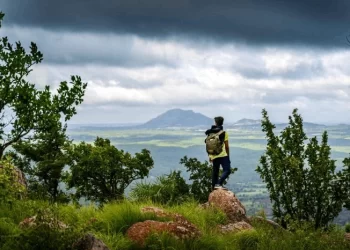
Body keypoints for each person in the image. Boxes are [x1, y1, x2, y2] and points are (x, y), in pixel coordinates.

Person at [205, 116, 231, 190]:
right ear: (222, 123)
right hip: (222, 155)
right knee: (227, 170)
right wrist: (228, 156)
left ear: (215, 123)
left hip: (213, 154)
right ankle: (219, 183)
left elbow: (209, 145)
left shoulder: (210, 132)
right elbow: (227, 147)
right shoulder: (224, 133)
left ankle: (213, 188)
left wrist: (210, 155)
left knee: (215, 172)